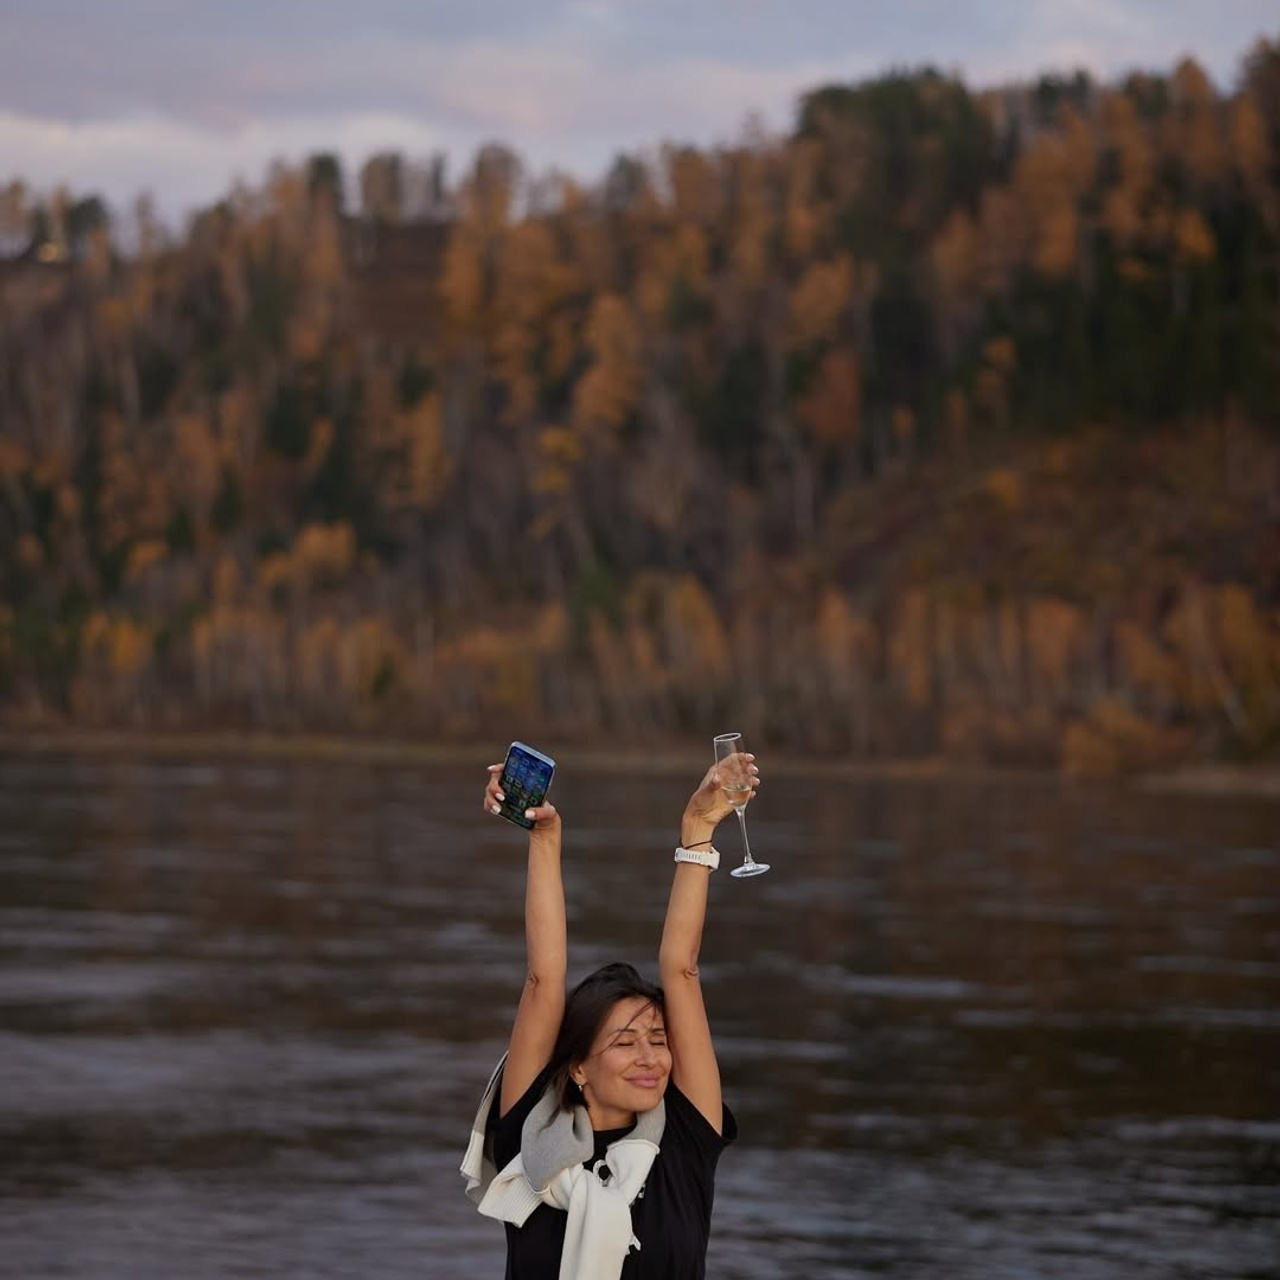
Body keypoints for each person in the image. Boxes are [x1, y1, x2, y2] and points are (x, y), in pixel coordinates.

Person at [461, 751, 761, 1280]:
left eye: (658, 1038)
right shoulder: (531, 1141)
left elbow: (681, 970)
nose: (650, 1058)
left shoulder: (685, 1141)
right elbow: (543, 979)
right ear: (577, 1066)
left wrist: (697, 833)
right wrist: (544, 839)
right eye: (624, 1042)